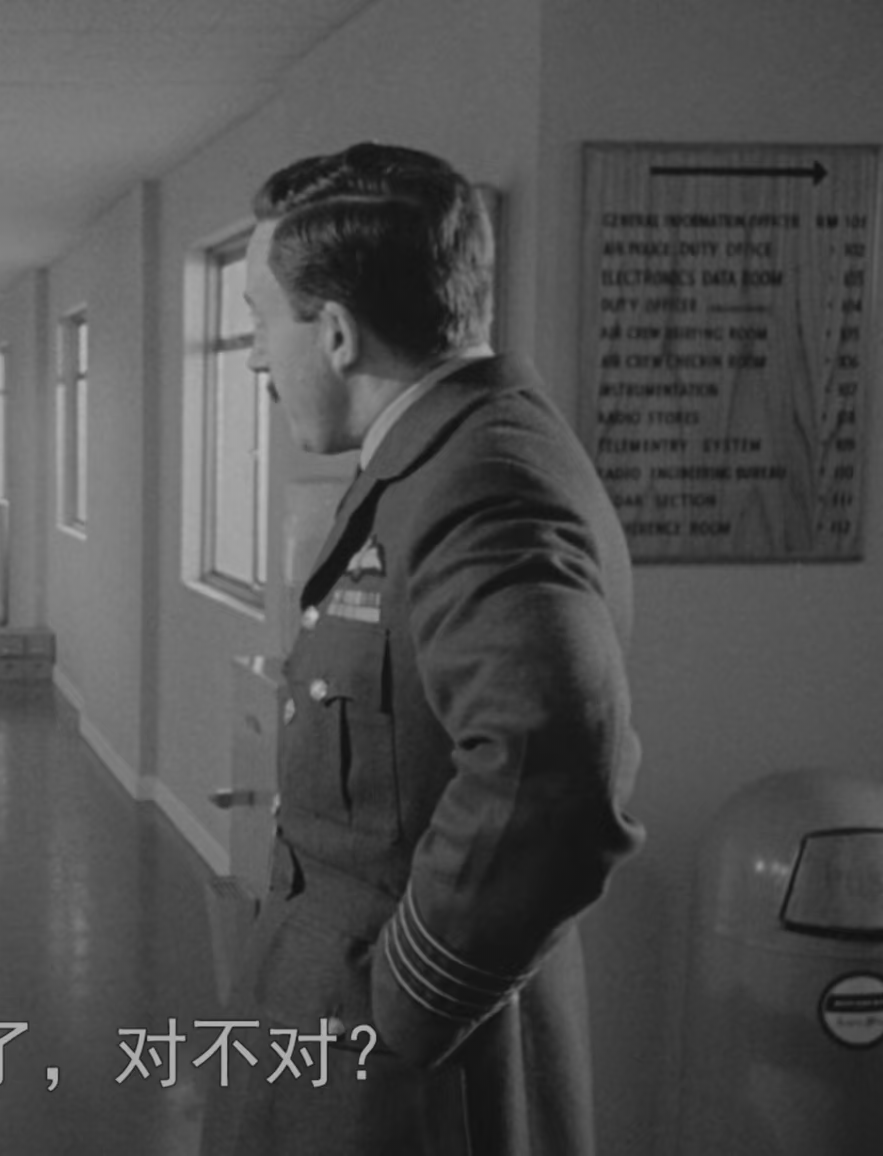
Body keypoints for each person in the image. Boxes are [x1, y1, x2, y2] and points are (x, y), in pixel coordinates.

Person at [200, 144, 644, 1155]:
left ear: (338, 333)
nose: (258, 359)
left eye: (262, 324)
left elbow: (553, 771)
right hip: (340, 1005)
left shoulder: (486, 482)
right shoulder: (436, 454)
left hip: (407, 1057)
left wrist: (407, 1002)